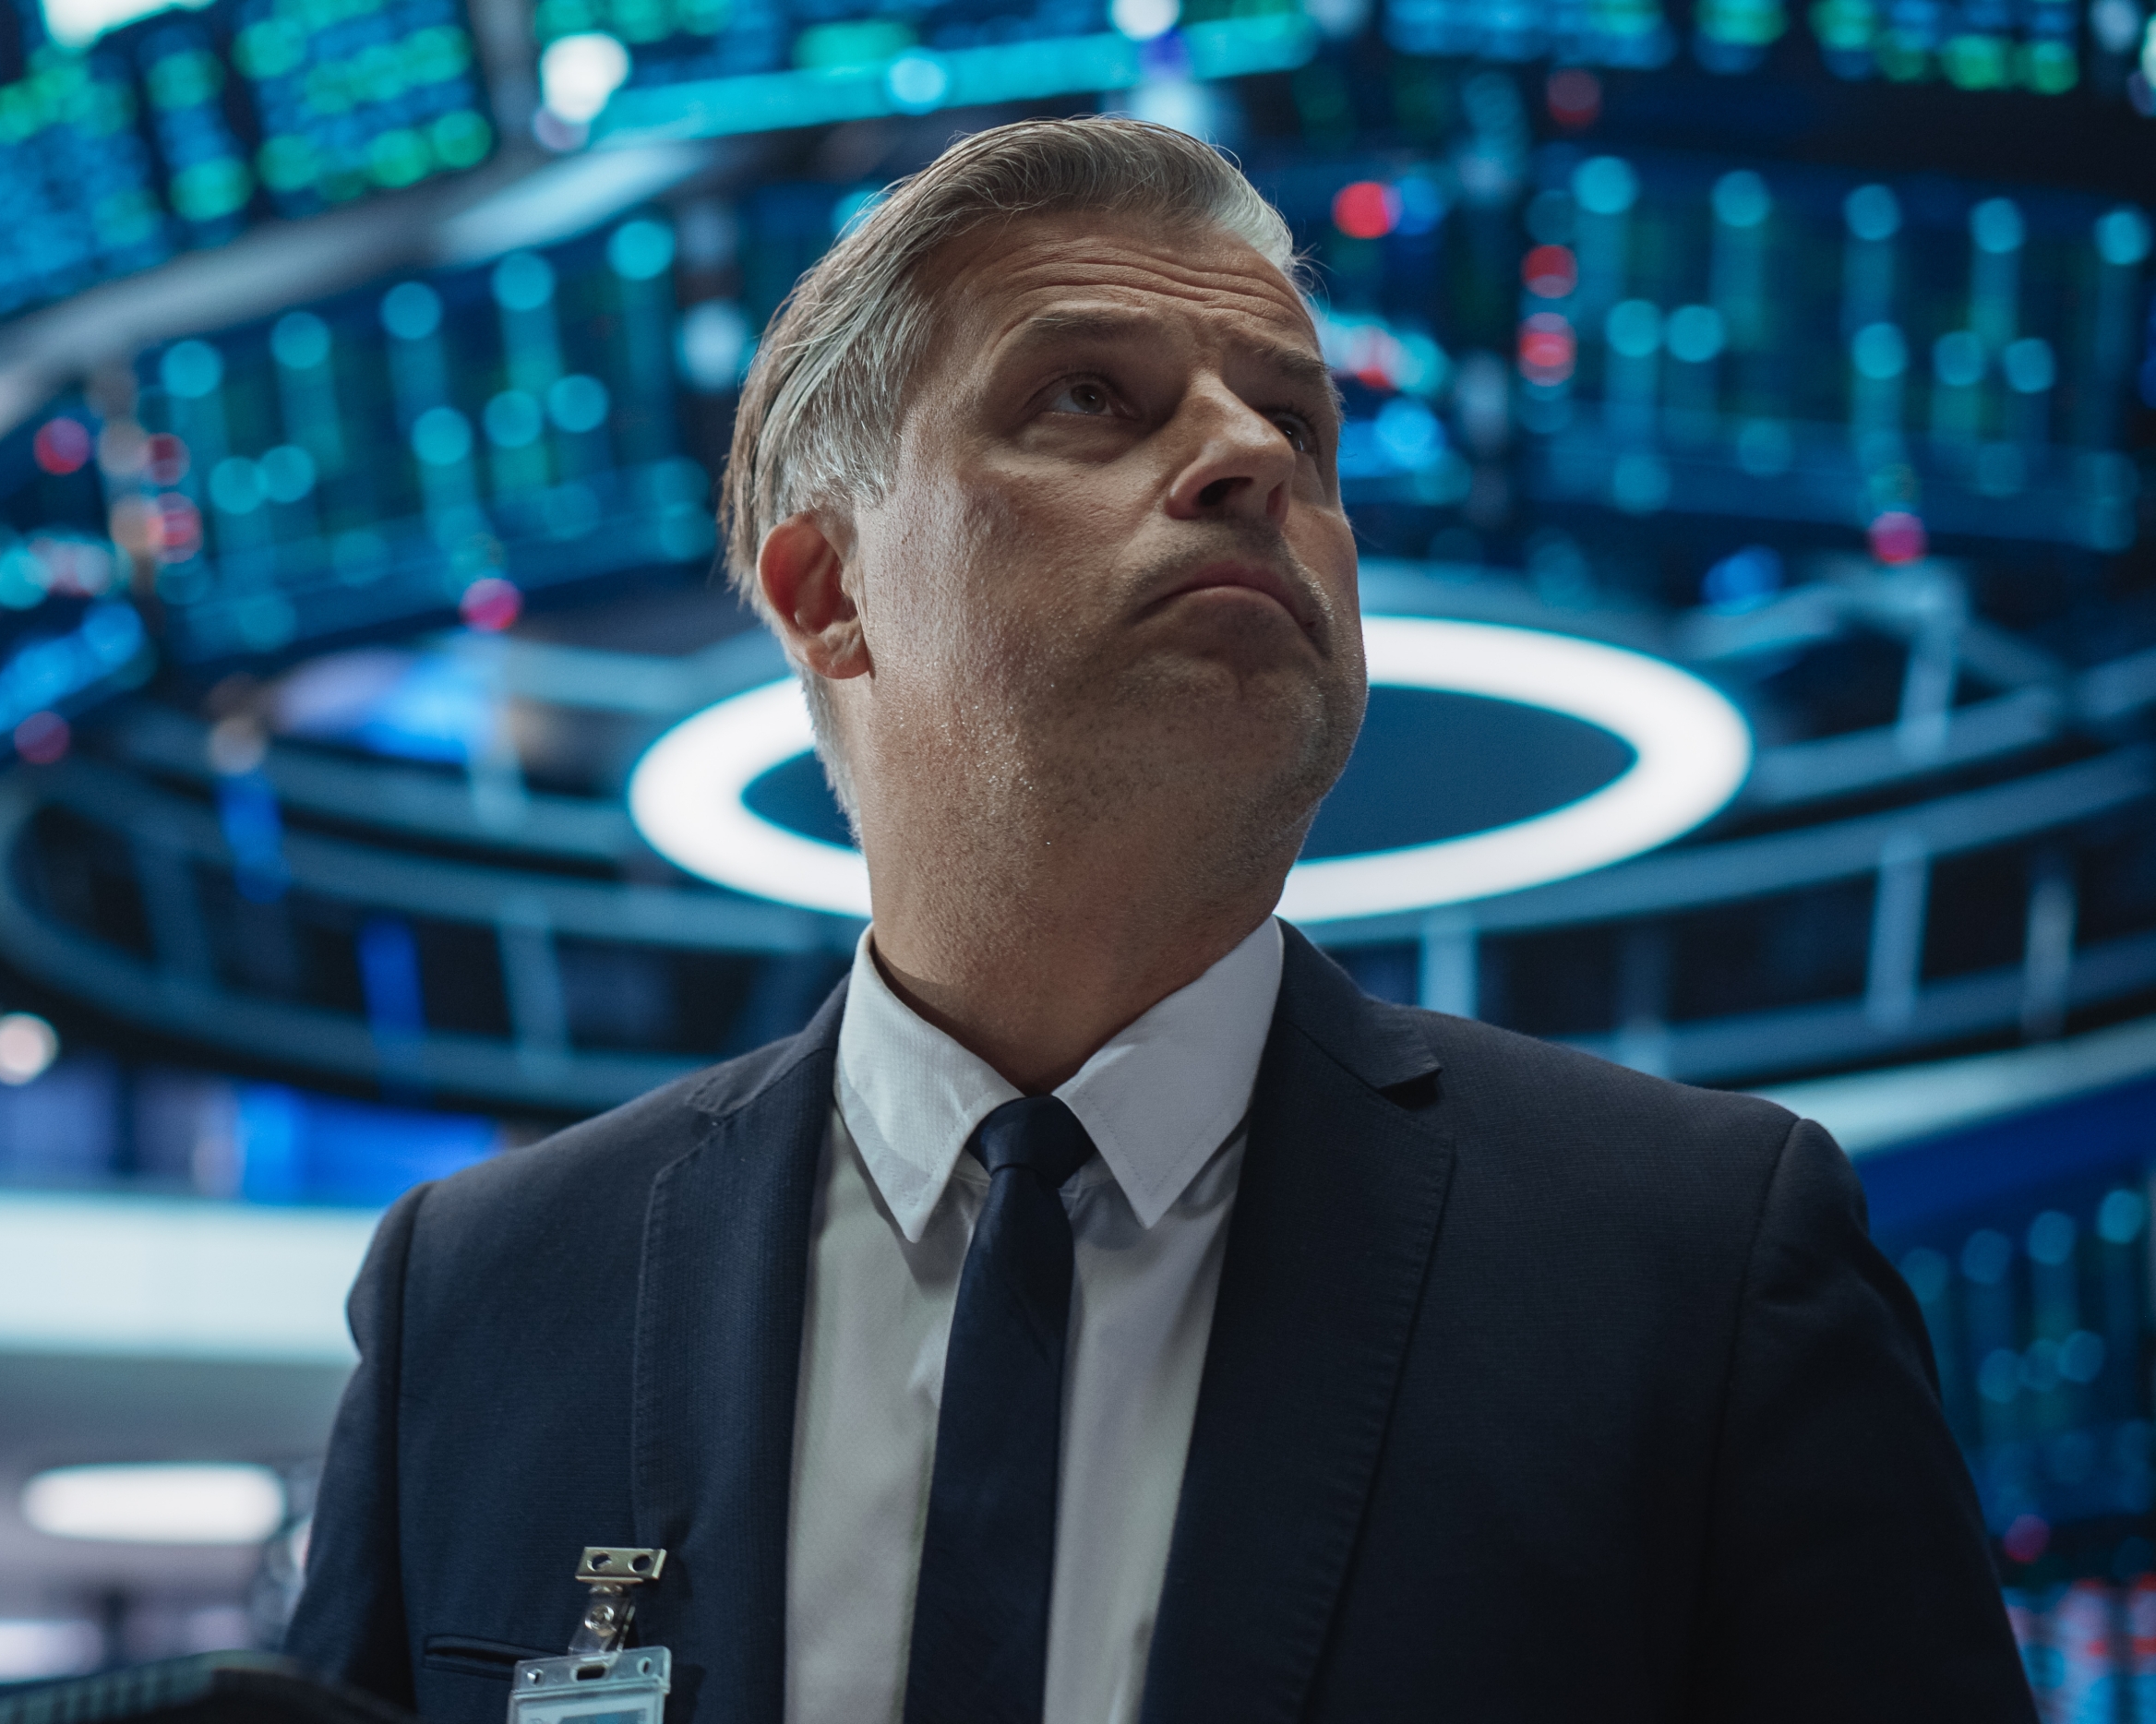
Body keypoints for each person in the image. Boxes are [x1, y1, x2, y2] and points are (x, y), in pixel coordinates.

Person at [281, 116, 2027, 1723]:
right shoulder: (490, 1296)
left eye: (1302, 422)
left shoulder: (1694, 1264)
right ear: (830, 598)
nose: (1247, 456)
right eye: (1091, 399)